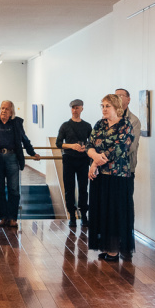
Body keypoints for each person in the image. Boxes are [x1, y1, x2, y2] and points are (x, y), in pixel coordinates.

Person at [86, 94, 136, 262]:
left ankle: (114, 250)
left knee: (114, 212)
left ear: (117, 107)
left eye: (108, 106)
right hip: (100, 176)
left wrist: (95, 163)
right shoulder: (99, 124)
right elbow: (89, 144)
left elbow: (119, 149)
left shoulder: (125, 125)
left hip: (117, 176)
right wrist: (94, 158)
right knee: (101, 211)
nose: (104, 109)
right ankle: (106, 246)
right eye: (102, 106)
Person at [0, 100, 40, 229]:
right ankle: (3, 217)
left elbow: (24, 139)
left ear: (12, 111)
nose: (3, 111)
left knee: (13, 189)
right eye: (2, 108)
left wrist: (32, 153)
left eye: (7, 109)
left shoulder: (16, 123)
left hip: (12, 157)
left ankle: (13, 218)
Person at [56, 98, 93, 229]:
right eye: (73, 108)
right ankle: (72, 215)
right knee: (69, 188)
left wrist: (85, 148)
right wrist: (72, 146)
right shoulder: (65, 125)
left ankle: (84, 215)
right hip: (69, 159)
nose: (74, 110)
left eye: (77, 107)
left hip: (83, 159)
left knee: (83, 188)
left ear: (82, 108)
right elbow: (58, 143)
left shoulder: (87, 126)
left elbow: (91, 143)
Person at [115, 88, 143, 178]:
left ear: (128, 99)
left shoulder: (133, 121)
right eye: (115, 96)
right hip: (108, 167)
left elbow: (131, 145)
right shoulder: (108, 118)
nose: (117, 98)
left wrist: (111, 155)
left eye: (120, 96)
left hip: (126, 166)